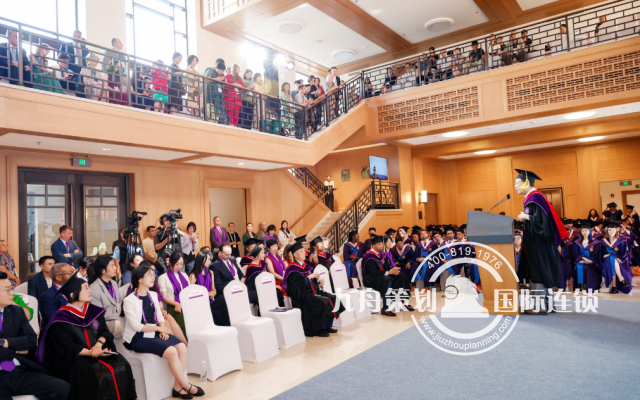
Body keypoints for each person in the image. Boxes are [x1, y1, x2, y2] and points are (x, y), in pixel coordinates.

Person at [37, 272, 137, 400]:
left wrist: (98, 345)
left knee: (123, 365)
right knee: (96, 375)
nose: (90, 291)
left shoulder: (93, 311)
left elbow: (104, 331)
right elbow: (67, 347)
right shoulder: (60, 319)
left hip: (99, 351)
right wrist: (92, 353)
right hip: (77, 359)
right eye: (85, 288)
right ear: (72, 294)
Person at [123, 265, 204, 399]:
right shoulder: (129, 300)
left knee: (182, 347)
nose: (153, 277)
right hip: (137, 337)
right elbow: (136, 326)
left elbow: (159, 316)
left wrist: (163, 329)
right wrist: (159, 329)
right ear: (140, 279)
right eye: (149, 275)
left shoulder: (153, 295)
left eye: (153, 275)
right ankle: (186, 384)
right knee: (172, 351)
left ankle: (177, 386)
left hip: (154, 331)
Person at [0, 271, 70, 399]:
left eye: (11, 289)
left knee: (62, 387)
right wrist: (16, 349)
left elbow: (31, 339)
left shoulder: (16, 311)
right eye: (7, 290)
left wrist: (5, 342)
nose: (12, 293)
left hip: (17, 370)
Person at [515, 169, 568, 314]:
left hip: (539, 243)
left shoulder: (535, 198)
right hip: (538, 242)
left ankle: (540, 306)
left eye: (517, 183)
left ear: (526, 183)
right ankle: (548, 304)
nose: (515, 186)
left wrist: (526, 217)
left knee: (538, 272)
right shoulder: (533, 198)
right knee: (542, 272)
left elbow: (543, 223)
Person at [283, 242, 343, 337]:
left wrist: (319, 281)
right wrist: (309, 278)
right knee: (324, 301)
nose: (304, 253)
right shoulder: (292, 269)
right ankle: (320, 329)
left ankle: (328, 326)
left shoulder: (305, 265)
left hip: (313, 292)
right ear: (295, 255)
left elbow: (313, 280)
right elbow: (295, 288)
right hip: (303, 296)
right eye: (301, 251)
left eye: (304, 251)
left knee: (334, 298)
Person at [363, 234, 414, 316]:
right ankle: (385, 308)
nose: (381, 246)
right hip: (371, 279)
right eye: (379, 244)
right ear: (373, 246)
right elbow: (373, 272)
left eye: (382, 244)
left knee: (401, 276)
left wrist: (393, 270)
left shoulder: (382, 255)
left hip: (382, 276)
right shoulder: (368, 256)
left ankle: (403, 303)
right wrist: (389, 273)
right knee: (387, 279)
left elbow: (387, 267)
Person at [88, 255, 122, 337]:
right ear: (103, 270)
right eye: (112, 266)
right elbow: (99, 315)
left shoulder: (114, 283)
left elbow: (119, 302)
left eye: (114, 265)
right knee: (130, 327)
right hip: (105, 323)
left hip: (117, 318)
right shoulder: (94, 288)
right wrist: (119, 317)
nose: (115, 268)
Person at [210, 244, 244, 326]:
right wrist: (233, 290)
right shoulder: (215, 266)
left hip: (240, 289)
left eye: (230, 254)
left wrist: (240, 286)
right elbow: (219, 286)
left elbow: (242, 276)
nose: (229, 256)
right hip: (228, 292)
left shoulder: (232, 260)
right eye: (226, 254)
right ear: (220, 253)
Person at [158, 251, 190, 338]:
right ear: (170, 262)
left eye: (181, 264)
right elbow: (164, 297)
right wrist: (176, 303)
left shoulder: (184, 275)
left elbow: (188, 291)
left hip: (186, 304)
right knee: (183, 325)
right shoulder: (163, 278)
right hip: (172, 306)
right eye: (177, 264)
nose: (179, 266)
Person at [600, 220, 632, 294]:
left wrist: (616, 257)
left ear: (617, 230)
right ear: (607, 230)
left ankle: (614, 286)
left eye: (613, 230)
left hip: (619, 260)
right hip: (606, 261)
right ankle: (621, 279)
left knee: (612, 259)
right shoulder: (603, 241)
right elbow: (601, 253)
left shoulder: (622, 241)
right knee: (611, 259)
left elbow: (624, 253)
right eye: (610, 230)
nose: (611, 231)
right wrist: (606, 256)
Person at [571, 220, 602, 292]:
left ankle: (588, 286)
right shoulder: (577, 242)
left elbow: (596, 254)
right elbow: (576, 253)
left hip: (592, 261)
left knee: (588, 267)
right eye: (582, 231)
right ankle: (581, 286)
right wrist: (582, 258)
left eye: (586, 230)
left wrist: (590, 260)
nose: (584, 232)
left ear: (589, 231)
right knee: (579, 266)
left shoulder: (595, 242)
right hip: (581, 260)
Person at [264, 239, 286, 306]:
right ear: (268, 248)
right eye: (273, 246)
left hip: (282, 279)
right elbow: (272, 273)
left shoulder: (278, 257)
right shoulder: (268, 259)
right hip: (276, 282)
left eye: (276, 246)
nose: (275, 248)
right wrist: (282, 278)